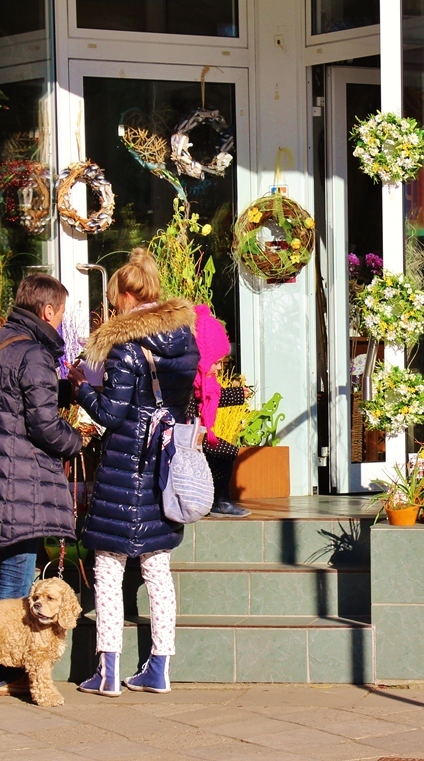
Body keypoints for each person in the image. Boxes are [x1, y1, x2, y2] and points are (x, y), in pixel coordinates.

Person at [67, 248, 198, 697]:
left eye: (112, 298)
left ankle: (106, 672)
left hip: (127, 464)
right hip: (164, 465)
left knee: (108, 568)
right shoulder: (184, 338)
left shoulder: (125, 345)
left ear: (125, 294)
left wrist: (81, 387)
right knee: (157, 569)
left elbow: (113, 412)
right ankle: (159, 667)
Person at [0, 273, 84, 697]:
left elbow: (8, 403)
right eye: (61, 314)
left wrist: (65, 388)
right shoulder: (35, 354)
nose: (61, 323)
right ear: (47, 311)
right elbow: (44, 425)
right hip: (20, 484)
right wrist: (77, 441)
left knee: (10, 572)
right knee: (15, 577)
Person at [190, 303, 251, 518]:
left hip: (197, 433)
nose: (218, 368)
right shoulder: (191, 381)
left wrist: (237, 395)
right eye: (215, 363)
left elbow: (214, 399)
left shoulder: (207, 382)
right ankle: (218, 500)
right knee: (224, 453)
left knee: (223, 453)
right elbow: (191, 407)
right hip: (188, 435)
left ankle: (217, 499)